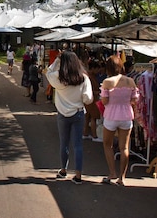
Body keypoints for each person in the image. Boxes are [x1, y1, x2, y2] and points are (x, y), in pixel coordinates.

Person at [46, 49, 93, 185]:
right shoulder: (84, 78)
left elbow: (48, 72)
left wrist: (57, 60)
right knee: (78, 145)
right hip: (78, 113)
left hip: (62, 114)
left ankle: (63, 170)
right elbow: (88, 99)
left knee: (64, 143)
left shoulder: (58, 78)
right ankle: (78, 175)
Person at [100, 55, 139, 186]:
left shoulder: (107, 82)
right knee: (125, 147)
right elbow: (134, 100)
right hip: (127, 115)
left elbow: (104, 101)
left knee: (107, 144)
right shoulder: (131, 81)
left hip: (111, 115)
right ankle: (122, 177)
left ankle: (112, 172)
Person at [83, 60, 102, 142]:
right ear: (93, 68)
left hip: (89, 99)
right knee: (93, 117)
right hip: (92, 99)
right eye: (97, 69)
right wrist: (97, 92)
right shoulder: (89, 77)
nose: (99, 71)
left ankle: (85, 133)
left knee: (88, 117)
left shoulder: (88, 76)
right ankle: (94, 135)